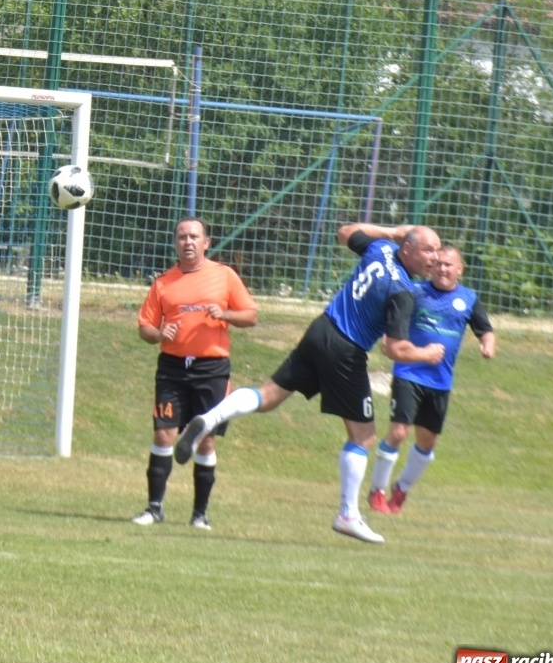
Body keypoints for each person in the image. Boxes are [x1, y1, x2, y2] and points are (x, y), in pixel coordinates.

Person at [174, 222, 444, 544]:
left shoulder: (380, 248)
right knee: (364, 435)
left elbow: (345, 231)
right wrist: (427, 354)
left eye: (437, 251)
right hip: (346, 350)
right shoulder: (402, 290)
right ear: (408, 249)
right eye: (428, 250)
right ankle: (347, 515)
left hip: (321, 329)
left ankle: (209, 418)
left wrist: (391, 231)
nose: (435, 257)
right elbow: (394, 349)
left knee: (268, 396)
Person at [131, 217, 258, 531]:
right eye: (182, 237)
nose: (187, 242)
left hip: (212, 370)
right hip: (172, 369)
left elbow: (251, 316)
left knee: (206, 441)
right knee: (164, 434)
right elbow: (145, 328)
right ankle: (154, 508)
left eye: (193, 236)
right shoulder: (163, 283)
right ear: (176, 242)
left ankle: (200, 515)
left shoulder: (224, 275)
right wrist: (160, 333)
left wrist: (225, 313)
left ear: (206, 243)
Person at [367, 244, 496, 514]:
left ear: (460, 269)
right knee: (398, 432)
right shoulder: (416, 291)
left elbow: (485, 329)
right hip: (408, 372)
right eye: (438, 263)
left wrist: (487, 344)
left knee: (427, 442)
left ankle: (401, 489)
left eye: (448, 265)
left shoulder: (468, 299)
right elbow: (394, 317)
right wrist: (387, 337)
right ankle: (377, 490)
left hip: (440, 381)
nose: (442, 269)